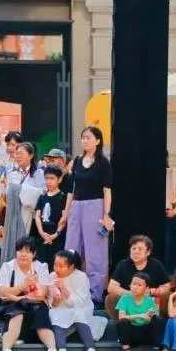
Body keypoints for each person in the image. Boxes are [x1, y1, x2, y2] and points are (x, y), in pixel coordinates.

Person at [62, 127, 113, 304]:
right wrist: (66, 212)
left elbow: (107, 191)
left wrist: (106, 214)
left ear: (98, 141)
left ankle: (94, 294)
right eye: (83, 137)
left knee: (95, 252)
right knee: (71, 247)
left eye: (89, 137)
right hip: (76, 206)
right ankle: (68, 290)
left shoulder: (103, 162)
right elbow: (71, 190)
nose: (85, 140)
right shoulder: (76, 161)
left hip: (95, 206)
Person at [0, 237, 58, 351]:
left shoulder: (41, 267)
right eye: (20, 251)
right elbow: (3, 293)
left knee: (41, 313)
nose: (23, 254)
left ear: (34, 254)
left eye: (28, 251)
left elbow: (41, 295)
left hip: (34, 306)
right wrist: (22, 287)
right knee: (16, 313)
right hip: (11, 307)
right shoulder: (8, 267)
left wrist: (17, 297)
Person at [48, 249, 99, 351]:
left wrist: (64, 289)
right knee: (54, 313)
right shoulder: (52, 276)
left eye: (61, 266)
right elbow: (52, 304)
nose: (57, 269)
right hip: (60, 308)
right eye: (55, 265)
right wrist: (57, 298)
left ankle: (91, 350)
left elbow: (79, 302)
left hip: (81, 307)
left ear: (71, 267)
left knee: (78, 313)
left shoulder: (81, 276)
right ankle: (62, 350)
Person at [106, 235, 170, 320]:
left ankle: (157, 320)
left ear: (148, 252)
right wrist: (132, 293)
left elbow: (167, 287)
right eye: (133, 248)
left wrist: (151, 291)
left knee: (168, 295)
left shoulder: (156, 265)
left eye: (140, 249)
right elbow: (111, 287)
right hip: (129, 301)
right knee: (111, 298)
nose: (136, 252)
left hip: (150, 300)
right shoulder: (123, 265)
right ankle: (121, 323)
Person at [115, 271, 165, 351]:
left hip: (146, 333)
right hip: (131, 334)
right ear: (130, 285)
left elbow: (154, 318)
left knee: (158, 320)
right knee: (122, 322)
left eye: (139, 285)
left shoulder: (150, 301)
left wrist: (150, 316)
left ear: (146, 289)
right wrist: (141, 315)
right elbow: (121, 316)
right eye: (134, 284)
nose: (135, 287)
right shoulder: (125, 298)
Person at [34, 165, 67, 270]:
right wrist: (41, 233)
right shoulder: (42, 197)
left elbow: (64, 218)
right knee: (41, 266)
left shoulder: (63, 197)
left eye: (52, 178)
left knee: (55, 266)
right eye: (47, 178)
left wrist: (56, 234)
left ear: (59, 179)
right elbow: (37, 216)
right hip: (42, 237)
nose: (49, 181)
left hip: (57, 238)